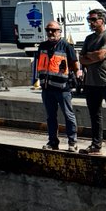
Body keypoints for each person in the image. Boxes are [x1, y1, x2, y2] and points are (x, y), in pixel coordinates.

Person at [32, 21, 79, 152]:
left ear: (60, 31)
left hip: (62, 88)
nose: (50, 32)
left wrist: (77, 77)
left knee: (68, 115)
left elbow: (75, 64)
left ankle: (72, 142)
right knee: (50, 117)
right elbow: (38, 64)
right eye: (48, 30)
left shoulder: (66, 46)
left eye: (53, 30)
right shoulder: (42, 46)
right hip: (47, 88)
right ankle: (53, 142)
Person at [78, 10, 106, 155]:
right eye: (88, 20)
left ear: (101, 20)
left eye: (93, 20)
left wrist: (89, 56)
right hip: (91, 82)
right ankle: (96, 145)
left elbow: (101, 55)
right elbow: (81, 59)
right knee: (95, 115)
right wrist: (93, 56)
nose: (90, 23)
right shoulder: (89, 38)